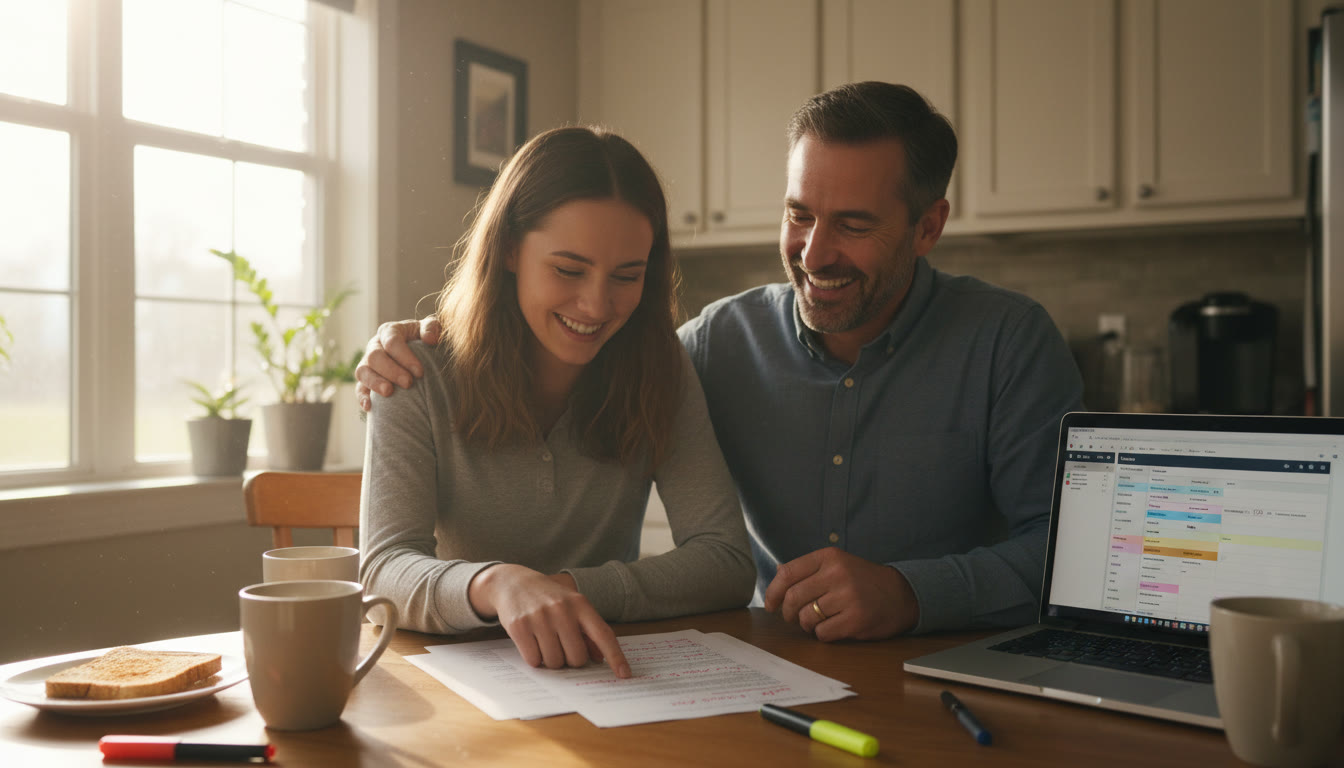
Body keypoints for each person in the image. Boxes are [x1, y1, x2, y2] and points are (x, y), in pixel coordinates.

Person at [357, 82, 1083, 643]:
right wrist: (508, 587)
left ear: (929, 227)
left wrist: (913, 592)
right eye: (799, 214)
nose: (815, 252)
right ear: (511, 250)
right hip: (762, 662)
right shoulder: (712, 346)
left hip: (955, 664)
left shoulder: (1006, 343)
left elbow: (1074, 556)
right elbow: (384, 569)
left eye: (854, 225)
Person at [359, 126, 755, 679]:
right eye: (568, 270)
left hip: (601, 672)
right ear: (509, 250)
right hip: (460, 684)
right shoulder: (414, 370)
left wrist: (564, 591)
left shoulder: (661, 367)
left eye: (627, 276)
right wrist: (496, 584)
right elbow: (382, 572)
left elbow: (728, 562)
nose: (597, 305)